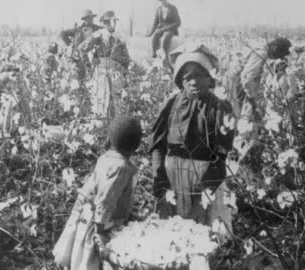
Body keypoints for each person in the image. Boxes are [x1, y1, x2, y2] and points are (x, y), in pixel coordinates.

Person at [149, 43, 235, 239]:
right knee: (174, 235)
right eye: (188, 77)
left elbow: (221, 156)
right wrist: (160, 185)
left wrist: (204, 195)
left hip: (207, 178)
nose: (194, 82)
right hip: (173, 178)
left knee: (207, 232)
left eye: (199, 75)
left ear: (208, 78)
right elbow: (158, 146)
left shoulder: (220, 107)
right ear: (180, 81)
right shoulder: (171, 104)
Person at [53, 116, 142, 270]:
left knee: (80, 259)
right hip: (101, 223)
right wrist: (100, 230)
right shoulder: (120, 167)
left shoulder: (106, 158)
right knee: (95, 261)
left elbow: (89, 189)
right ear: (135, 146)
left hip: (89, 216)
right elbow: (106, 199)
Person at [78, 10, 131, 122]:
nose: (112, 24)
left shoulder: (120, 37)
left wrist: (125, 71)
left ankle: (116, 129)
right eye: (109, 22)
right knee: (101, 101)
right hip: (101, 71)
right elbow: (82, 48)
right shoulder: (99, 35)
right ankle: (100, 130)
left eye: (114, 22)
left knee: (118, 102)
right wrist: (89, 65)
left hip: (117, 73)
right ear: (104, 23)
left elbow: (126, 58)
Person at [224, 37, 292, 122]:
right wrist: (253, 102)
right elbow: (246, 78)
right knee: (239, 118)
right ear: (276, 48)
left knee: (240, 115)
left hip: (238, 82)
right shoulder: (262, 53)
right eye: (279, 55)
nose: (277, 58)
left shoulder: (262, 48)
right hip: (238, 84)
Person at [60, 9, 102, 80]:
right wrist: (70, 45)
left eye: (92, 18)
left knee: (92, 77)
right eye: (89, 18)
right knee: (81, 78)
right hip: (79, 59)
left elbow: (104, 31)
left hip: (92, 57)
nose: (91, 19)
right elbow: (63, 34)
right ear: (85, 19)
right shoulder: (78, 29)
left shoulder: (96, 28)